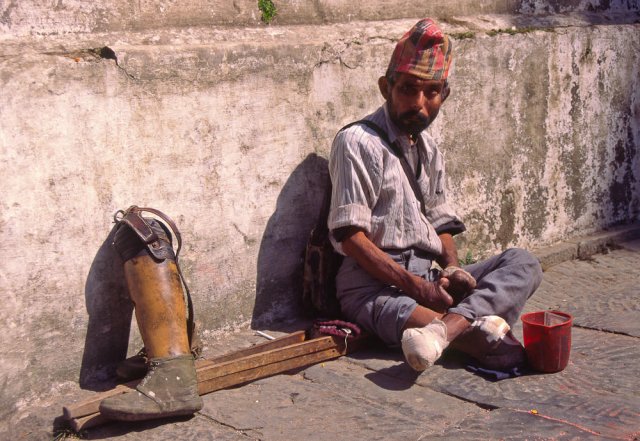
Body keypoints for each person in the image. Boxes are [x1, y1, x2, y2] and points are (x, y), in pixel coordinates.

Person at [328, 18, 543, 372]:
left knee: (524, 263)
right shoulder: (357, 142)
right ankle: (464, 326)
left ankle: (446, 328)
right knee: (500, 350)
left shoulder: (428, 147)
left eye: (431, 92)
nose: (420, 103)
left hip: (425, 280)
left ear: (444, 94)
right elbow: (350, 239)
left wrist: (453, 268)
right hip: (374, 289)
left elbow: (441, 220)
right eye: (409, 90)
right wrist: (416, 288)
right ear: (386, 88)